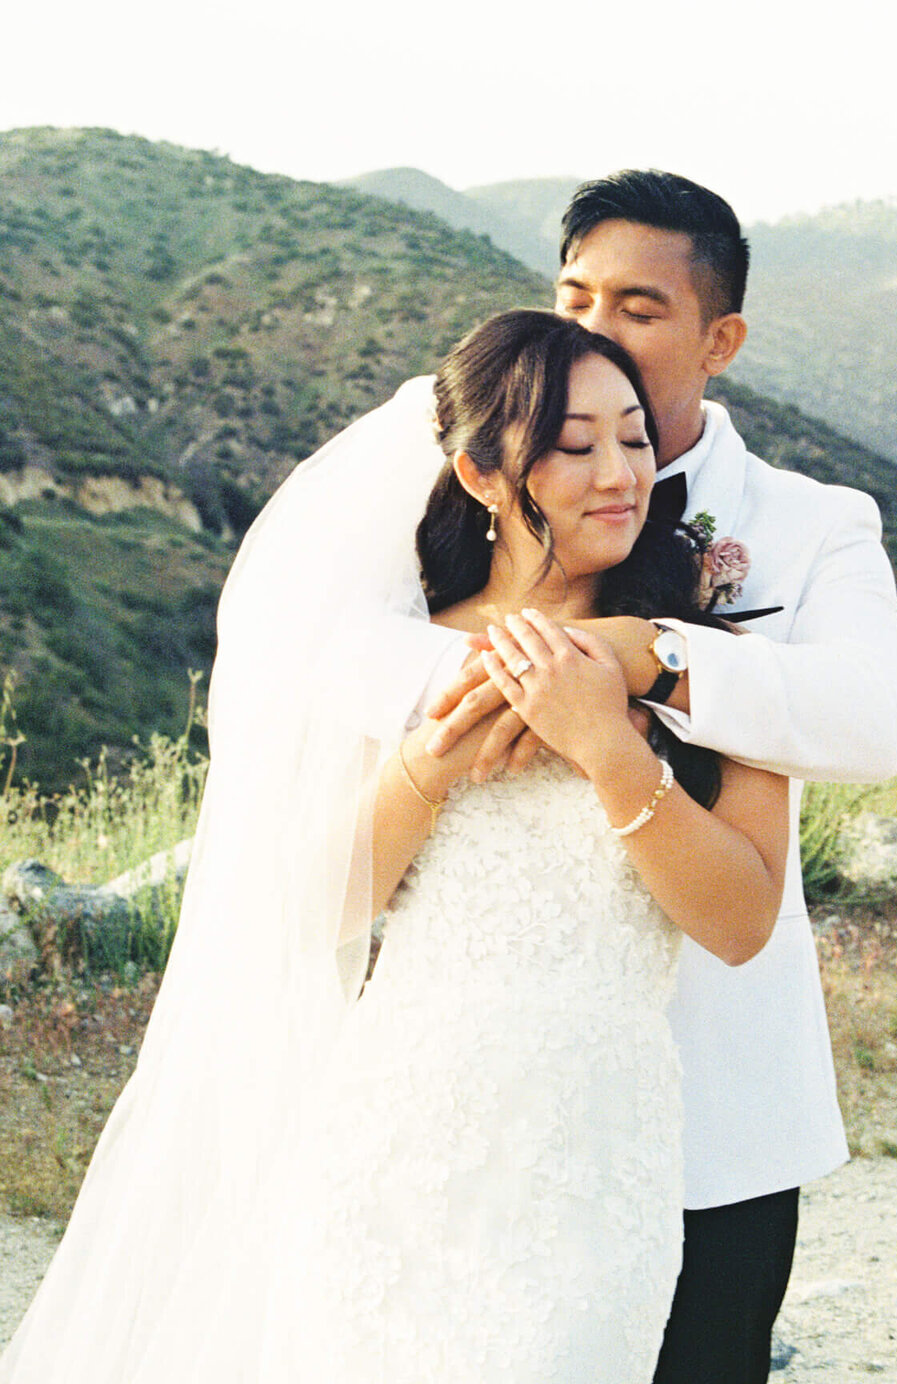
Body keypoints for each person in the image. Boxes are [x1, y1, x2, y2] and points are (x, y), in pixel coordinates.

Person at [0, 310, 788, 1384]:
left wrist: (609, 745)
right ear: (481, 473)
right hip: (395, 1130)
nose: (621, 472)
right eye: (575, 443)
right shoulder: (395, 647)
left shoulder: (707, 662)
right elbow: (317, 908)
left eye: (636, 437)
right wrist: (429, 761)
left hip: (592, 1156)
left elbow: (742, 923)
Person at [424, 170, 897, 1384]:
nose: (594, 329)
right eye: (574, 293)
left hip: (721, 1106)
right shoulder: (448, 499)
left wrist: (655, 655)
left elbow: (870, 720)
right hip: (490, 1095)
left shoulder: (809, 527)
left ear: (720, 338)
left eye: (639, 306)